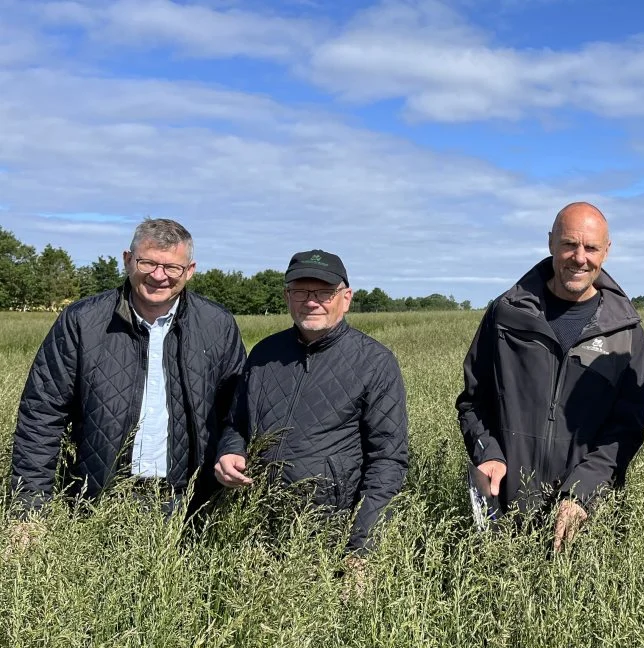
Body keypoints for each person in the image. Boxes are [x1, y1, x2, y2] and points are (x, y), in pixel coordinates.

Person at [10, 218, 245, 516]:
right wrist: (28, 509)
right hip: (93, 503)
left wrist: (231, 452)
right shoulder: (83, 321)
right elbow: (41, 415)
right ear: (127, 260)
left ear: (190, 271)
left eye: (172, 267)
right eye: (147, 263)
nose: (159, 276)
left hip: (188, 506)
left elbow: (237, 412)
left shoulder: (217, 325)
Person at [457, 202, 644, 550]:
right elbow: (473, 401)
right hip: (503, 510)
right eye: (568, 244)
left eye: (591, 247)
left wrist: (581, 493)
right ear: (550, 244)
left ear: (606, 251)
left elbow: (627, 428)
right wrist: (488, 453)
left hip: (584, 517)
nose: (579, 257)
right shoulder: (507, 315)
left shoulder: (625, 330)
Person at [214, 250, 408, 553]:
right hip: (255, 525)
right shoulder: (264, 354)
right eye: (301, 291)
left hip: (331, 530)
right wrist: (230, 451)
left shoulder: (375, 362)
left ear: (346, 298)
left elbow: (388, 459)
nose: (311, 301)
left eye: (324, 292)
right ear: (287, 296)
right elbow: (236, 422)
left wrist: (362, 546)